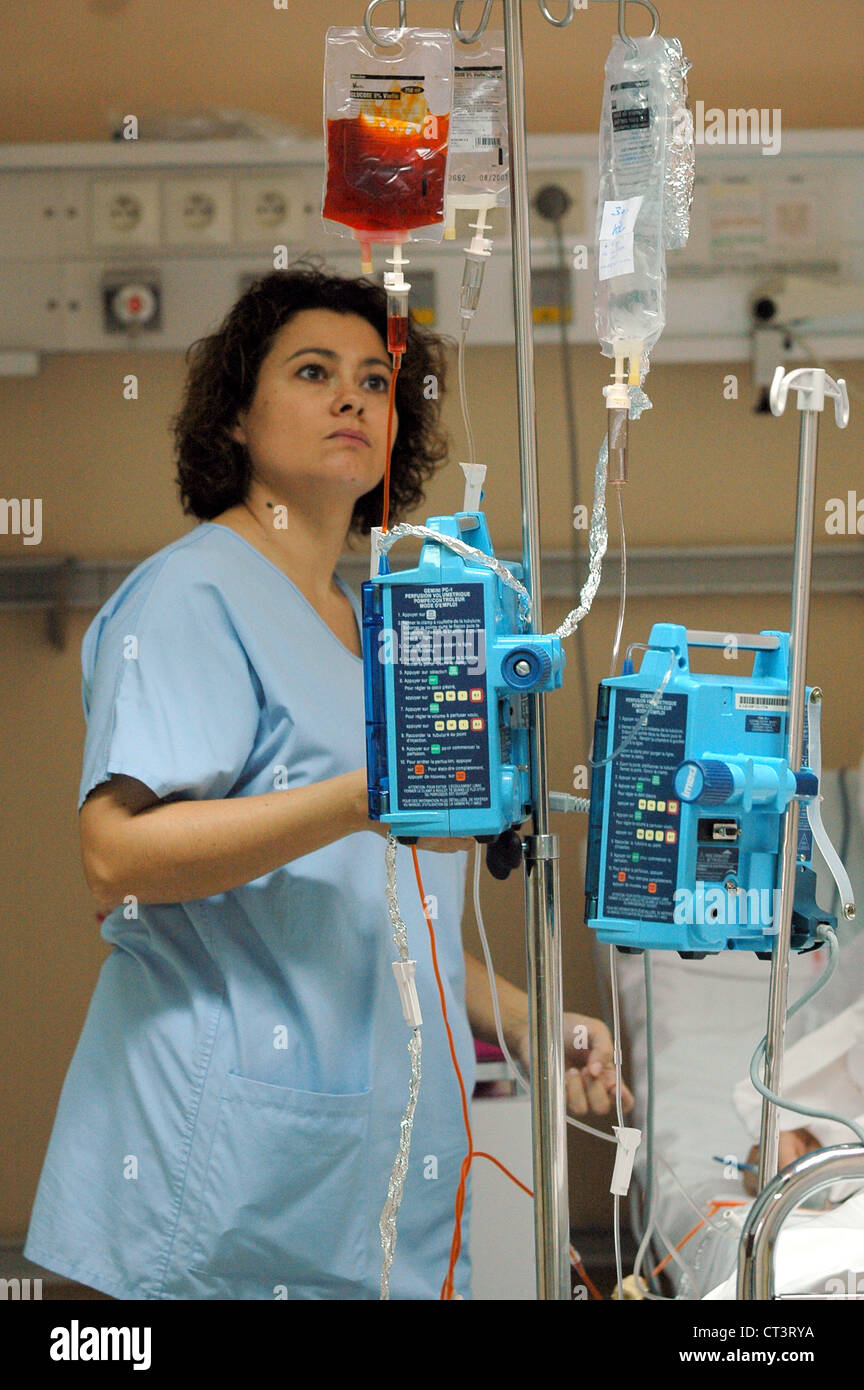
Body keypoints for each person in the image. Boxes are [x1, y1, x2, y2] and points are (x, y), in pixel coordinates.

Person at [25, 264, 628, 1301]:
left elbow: (363, 910)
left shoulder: (376, 623)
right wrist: (368, 795)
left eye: (376, 382)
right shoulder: (193, 594)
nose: (353, 397)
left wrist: (520, 1015)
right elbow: (113, 858)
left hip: (353, 1183)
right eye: (314, 372)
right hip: (211, 1175)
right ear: (237, 423)